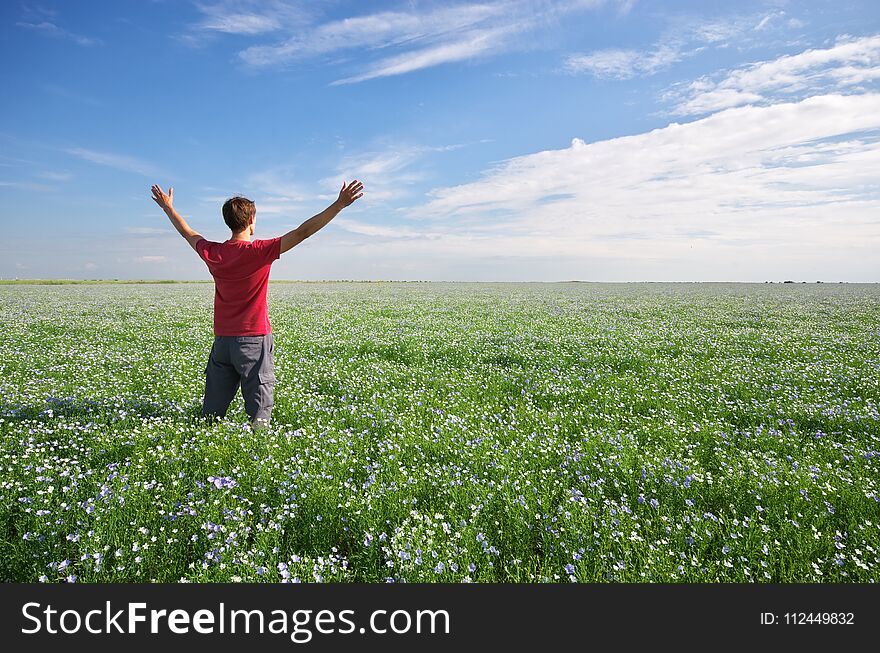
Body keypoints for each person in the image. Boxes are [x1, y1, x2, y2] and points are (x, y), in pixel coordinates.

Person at [150, 180, 364, 428]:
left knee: (212, 412)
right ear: (251, 221)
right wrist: (338, 205)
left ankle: (206, 439)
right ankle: (257, 447)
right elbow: (302, 232)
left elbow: (189, 233)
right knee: (259, 410)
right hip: (253, 339)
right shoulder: (259, 252)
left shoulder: (213, 253)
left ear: (228, 222)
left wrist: (168, 208)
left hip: (222, 341)